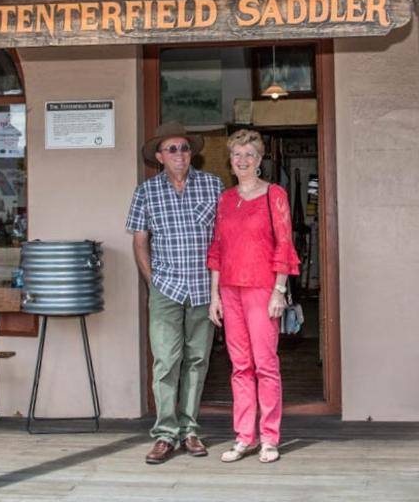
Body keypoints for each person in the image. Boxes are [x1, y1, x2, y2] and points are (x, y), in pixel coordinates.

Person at [126, 121, 224, 464]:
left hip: (203, 289)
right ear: (159, 156)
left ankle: (190, 430)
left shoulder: (213, 185)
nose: (180, 154)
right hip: (165, 288)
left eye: (184, 148)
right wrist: (152, 281)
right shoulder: (145, 192)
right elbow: (140, 241)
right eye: (172, 149)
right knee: (166, 362)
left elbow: (223, 240)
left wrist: (219, 287)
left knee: (198, 361)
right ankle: (166, 433)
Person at [207, 129, 300, 464]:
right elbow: (217, 248)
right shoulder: (226, 199)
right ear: (230, 161)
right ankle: (244, 436)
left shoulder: (273, 194)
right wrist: (214, 295)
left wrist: (279, 290)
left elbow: (285, 245)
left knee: (265, 364)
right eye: (237, 155)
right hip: (230, 289)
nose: (242, 161)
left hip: (262, 289)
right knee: (240, 366)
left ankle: (269, 438)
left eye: (249, 155)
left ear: (260, 160)